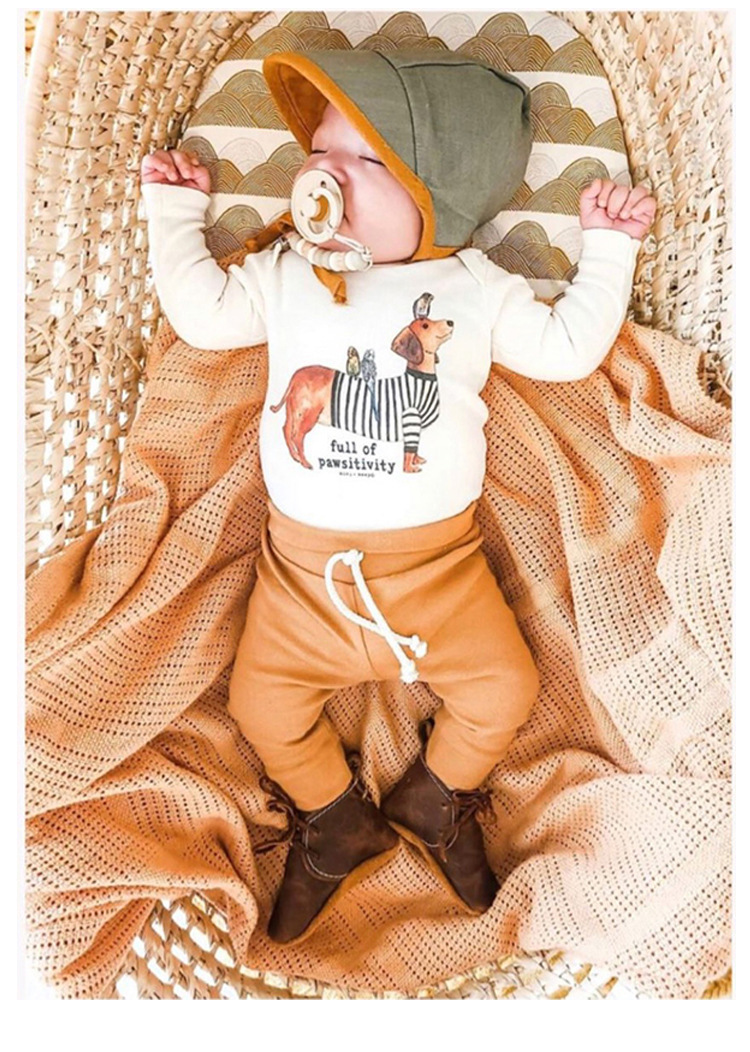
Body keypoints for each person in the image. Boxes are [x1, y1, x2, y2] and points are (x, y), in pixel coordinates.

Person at [139, 49, 656, 947]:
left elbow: (568, 348)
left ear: (435, 196)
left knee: (507, 689)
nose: (324, 173)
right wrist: (175, 214)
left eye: (363, 158)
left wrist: (608, 249)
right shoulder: (287, 272)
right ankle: (335, 818)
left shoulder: (473, 289)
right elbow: (203, 316)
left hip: (441, 573)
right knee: (260, 706)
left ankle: (436, 794)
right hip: (303, 578)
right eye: (317, 152)